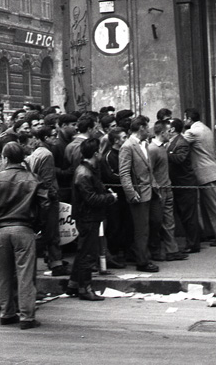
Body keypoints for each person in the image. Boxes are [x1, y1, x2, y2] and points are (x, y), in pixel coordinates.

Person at [0, 142, 49, 329]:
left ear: (5, 158)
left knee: (4, 273)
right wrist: (37, 226)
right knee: (25, 274)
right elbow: (45, 204)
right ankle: (27, 316)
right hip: (24, 228)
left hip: (1, 230)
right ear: (23, 158)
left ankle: (7, 313)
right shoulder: (33, 179)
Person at [66, 138, 117, 301]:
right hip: (88, 217)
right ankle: (85, 288)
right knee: (88, 254)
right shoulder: (84, 173)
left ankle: (74, 284)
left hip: (88, 216)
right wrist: (110, 197)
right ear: (95, 153)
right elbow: (91, 199)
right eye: (100, 150)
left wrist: (105, 193)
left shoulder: (87, 170)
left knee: (84, 251)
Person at [119, 117, 162, 272]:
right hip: (139, 193)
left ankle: (145, 253)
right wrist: (131, 192)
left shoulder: (145, 144)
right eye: (147, 127)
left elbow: (149, 169)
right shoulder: (127, 146)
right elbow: (124, 172)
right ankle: (142, 261)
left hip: (151, 190)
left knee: (156, 220)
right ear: (141, 128)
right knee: (141, 229)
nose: (149, 130)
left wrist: (155, 185)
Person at [26, 126, 69, 276]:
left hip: (40, 197)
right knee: (51, 233)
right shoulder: (47, 154)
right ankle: (55, 263)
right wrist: (53, 197)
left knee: (49, 232)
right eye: (53, 135)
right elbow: (47, 181)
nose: (56, 138)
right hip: (47, 199)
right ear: (45, 138)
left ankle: (54, 260)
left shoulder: (37, 152)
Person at [148, 121, 188, 262]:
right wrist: (156, 187)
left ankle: (172, 250)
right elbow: (149, 170)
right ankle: (158, 251)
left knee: (169, 222)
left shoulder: (163, 148)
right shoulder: (152, 149)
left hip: (167, 187)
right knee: (159, 222)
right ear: (162, 133)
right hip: (160, 190)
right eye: (168, 131)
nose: (170, 134)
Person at [183, 108, 216, 244]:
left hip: (205, 173)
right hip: (211, 171)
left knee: (213, 206)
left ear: (189, 119)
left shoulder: (192, 132)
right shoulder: (206, 129)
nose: (184, 121)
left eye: (185, 118)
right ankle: (212, 233)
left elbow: (178, 143)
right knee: (210, 207)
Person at [166, 118, 201, 254]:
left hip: (185, 184)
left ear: (172, 129)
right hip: (177, 184)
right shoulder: (171, 142)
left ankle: (193, 244)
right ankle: (189, 241)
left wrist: (165, 154)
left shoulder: (182, 142)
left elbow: (179, 158)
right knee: (183, 215)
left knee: (189, 216)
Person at [100, 127, 132, 266]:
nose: (126, 139)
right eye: (124, 137)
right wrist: (127, 179)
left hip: (126, 195)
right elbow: (111, 176)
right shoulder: (108, 156)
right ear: (116, 140)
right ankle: (113, 254)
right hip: (115, 196)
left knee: (127, 224)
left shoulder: (126, 152)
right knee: (115, 226)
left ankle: (126, 251)